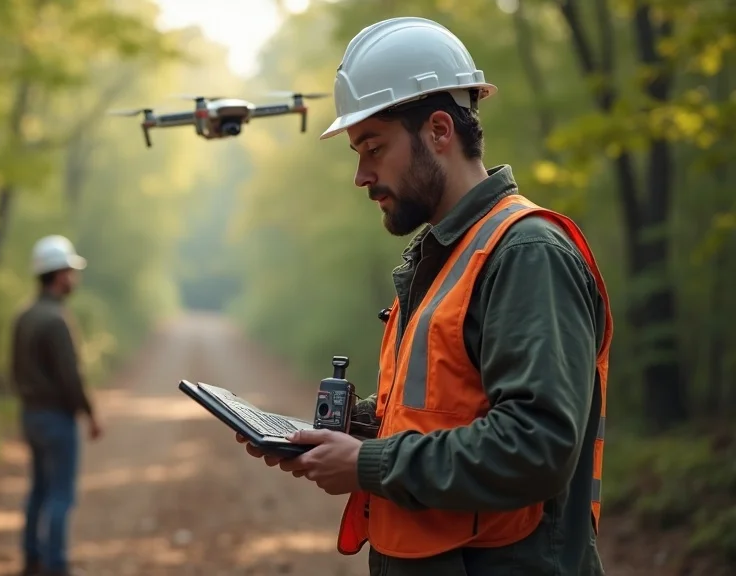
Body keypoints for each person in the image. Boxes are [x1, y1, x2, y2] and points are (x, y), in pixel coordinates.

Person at [237, 16, 613, 576]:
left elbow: (536, 446)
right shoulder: (443, 257)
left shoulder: (526, 252)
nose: (361, 175)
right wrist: (354, 428)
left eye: (373, 147)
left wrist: (368, 462)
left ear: (440, 131)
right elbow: (445, 411)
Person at [11, 234, 103, 576]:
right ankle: (56, 566)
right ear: (60, 274)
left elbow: (14, 369)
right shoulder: (57, 320)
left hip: (30, 415)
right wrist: (91, 414)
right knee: (61, 495)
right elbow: (71, 378)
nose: (74, 278)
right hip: (57, 419)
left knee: (38, 489)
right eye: (70, 271)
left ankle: (31, 557)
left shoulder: (24, 315)